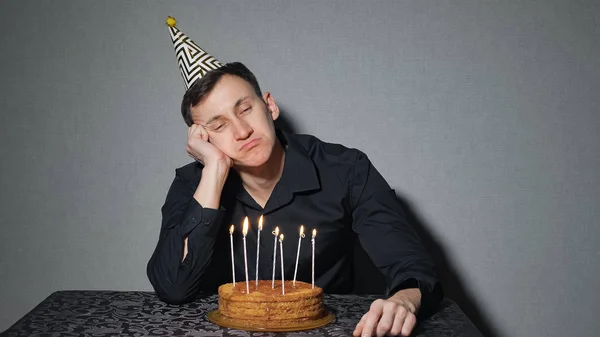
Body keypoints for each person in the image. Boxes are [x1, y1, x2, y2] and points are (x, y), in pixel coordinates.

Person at [149, 19, 441, 337]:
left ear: (269, 105)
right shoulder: (194, 185)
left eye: (245, 109)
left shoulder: (345, 169)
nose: (242, 131)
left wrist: (404, 301)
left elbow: (411, 265)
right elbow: (173, 287)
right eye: (219, 126)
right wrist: (215, 170)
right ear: (203, 140)